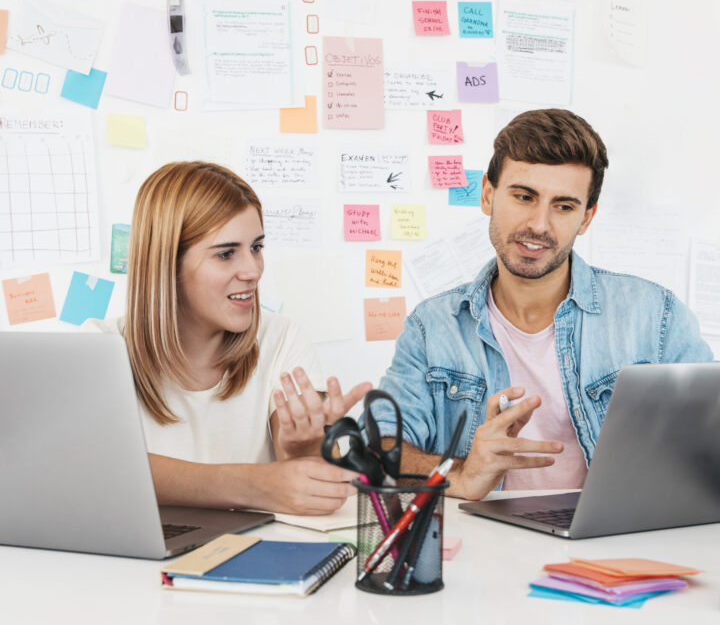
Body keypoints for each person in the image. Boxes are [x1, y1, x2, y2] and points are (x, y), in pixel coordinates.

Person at [369, 108, 713, 501]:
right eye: (523, 196)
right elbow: (382, 449)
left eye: (564, 206)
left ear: (586, 217)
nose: (539, 224)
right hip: (483, 551)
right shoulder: (432, 327)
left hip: (616, 546)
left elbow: (710, 437)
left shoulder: (655, 316)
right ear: (487, 194)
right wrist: (463, 473)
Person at [84, 161, 371, 515]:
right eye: (225, 253)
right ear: (167, 263)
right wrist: (256, 485)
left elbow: (307, 486)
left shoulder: (280, 339)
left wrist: (304, 451)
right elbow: (94, 469)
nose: (253, 271)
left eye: (257, 247)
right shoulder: (100, 349)